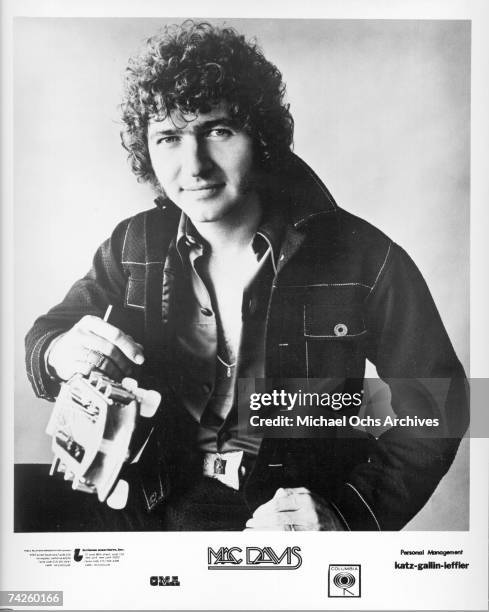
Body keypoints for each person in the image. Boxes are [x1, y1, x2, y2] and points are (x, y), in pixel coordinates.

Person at [22, 21, 468, 532]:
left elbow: (443, 401)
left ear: (261, 136)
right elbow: (49, 334)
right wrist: (59, 352)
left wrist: (348, 517)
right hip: (140, 506)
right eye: (168, 137)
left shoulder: (362, 256)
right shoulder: (133, 244)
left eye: (217, 130)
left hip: (277, 522)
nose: (194, 166)